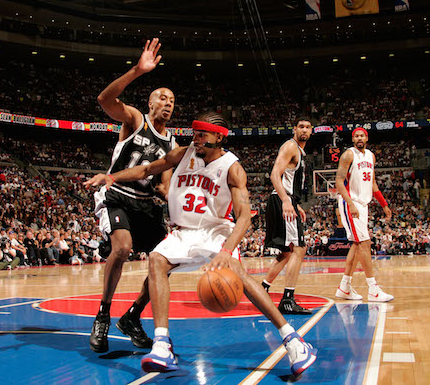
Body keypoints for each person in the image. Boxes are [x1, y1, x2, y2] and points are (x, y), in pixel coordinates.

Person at [87, 112, 317, 378]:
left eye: (201, 135)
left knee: (239, 275)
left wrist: (226, 250)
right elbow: (148, 169)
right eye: (194, 134)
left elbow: (243, 216)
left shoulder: (232, 167)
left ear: (218, 137)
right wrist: (112, 177)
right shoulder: (183, 154)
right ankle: (162, 344)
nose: (195, 139)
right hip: (185, 231)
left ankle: (293, 341)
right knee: (157, 260)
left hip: (216, 230)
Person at [87, 38, 177, 353]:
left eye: (172, 100)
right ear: (150, 103)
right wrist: (137, 71)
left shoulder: (172, 143)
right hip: (117, 194)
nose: (167, 102)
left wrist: (170, 198)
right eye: (162, 97)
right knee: (123, 247)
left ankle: (134, 316)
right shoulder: (135, 120)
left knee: (165, 262)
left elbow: (164, 185)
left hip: (146, 205)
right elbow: (104, 99)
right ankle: (103, 315)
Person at [334, 128, 394, 303]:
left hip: (363, 204)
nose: (359, 138)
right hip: (350, 202)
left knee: (356, 244)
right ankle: (373, 289)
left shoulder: (371, 156)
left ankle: (344, 287)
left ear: (367, 138)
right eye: (356, 136)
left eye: (362, 135)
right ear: (353, 139)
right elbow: (338, 181)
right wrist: (351, 203)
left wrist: (384, 204)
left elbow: (373, 183)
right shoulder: (348, 155)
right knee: (364, 243)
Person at [261, 119, 314, 315]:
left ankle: (263, 287)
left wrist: (295, 203)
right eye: (301, 126)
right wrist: (286, 200)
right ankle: (288, 300)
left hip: (285, 199)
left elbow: (288, 180)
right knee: (299, 249)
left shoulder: (300, 152)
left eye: (308, 127)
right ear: (294, 130)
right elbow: (275, 174)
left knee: (287, 252)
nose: (304, 130)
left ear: (311, 132)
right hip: (281, 200)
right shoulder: (291, 146)